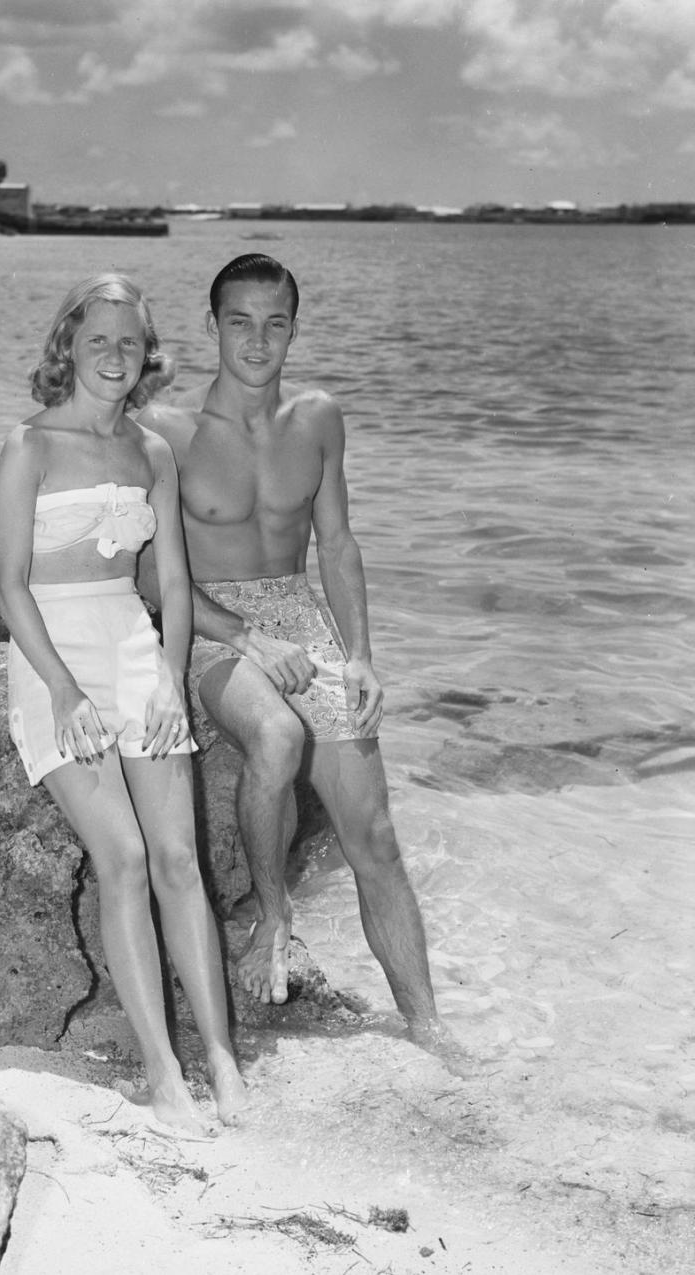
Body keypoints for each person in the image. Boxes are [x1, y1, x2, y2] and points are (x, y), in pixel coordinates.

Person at [139, 254, 466, 1071]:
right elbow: (150, 573)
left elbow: (339, 542)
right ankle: (273, 913)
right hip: (215, 624)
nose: (258, 339)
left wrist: (357, 655)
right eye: (240, 322)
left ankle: (426, 1027)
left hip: (302, 613)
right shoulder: (168, 434)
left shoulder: (317, 417)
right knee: (279, 737)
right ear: (211, 327)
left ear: (294, 327)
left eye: (275, 321)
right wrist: (246, 636)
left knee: (377, 835)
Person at [0, 273, 248, 1135]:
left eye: (128, 342)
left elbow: (172, 581)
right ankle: (161, 1070)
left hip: (136, 649)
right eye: (97, 339)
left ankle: (220, 1057)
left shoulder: (154, 452)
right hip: (54, 655)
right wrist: (63, 688)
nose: (113, 355)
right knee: (126, 858)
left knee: (180, 858)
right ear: (68, 344)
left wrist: (172, 680)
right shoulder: (28, 446)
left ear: (147, 355)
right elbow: (10, 584)